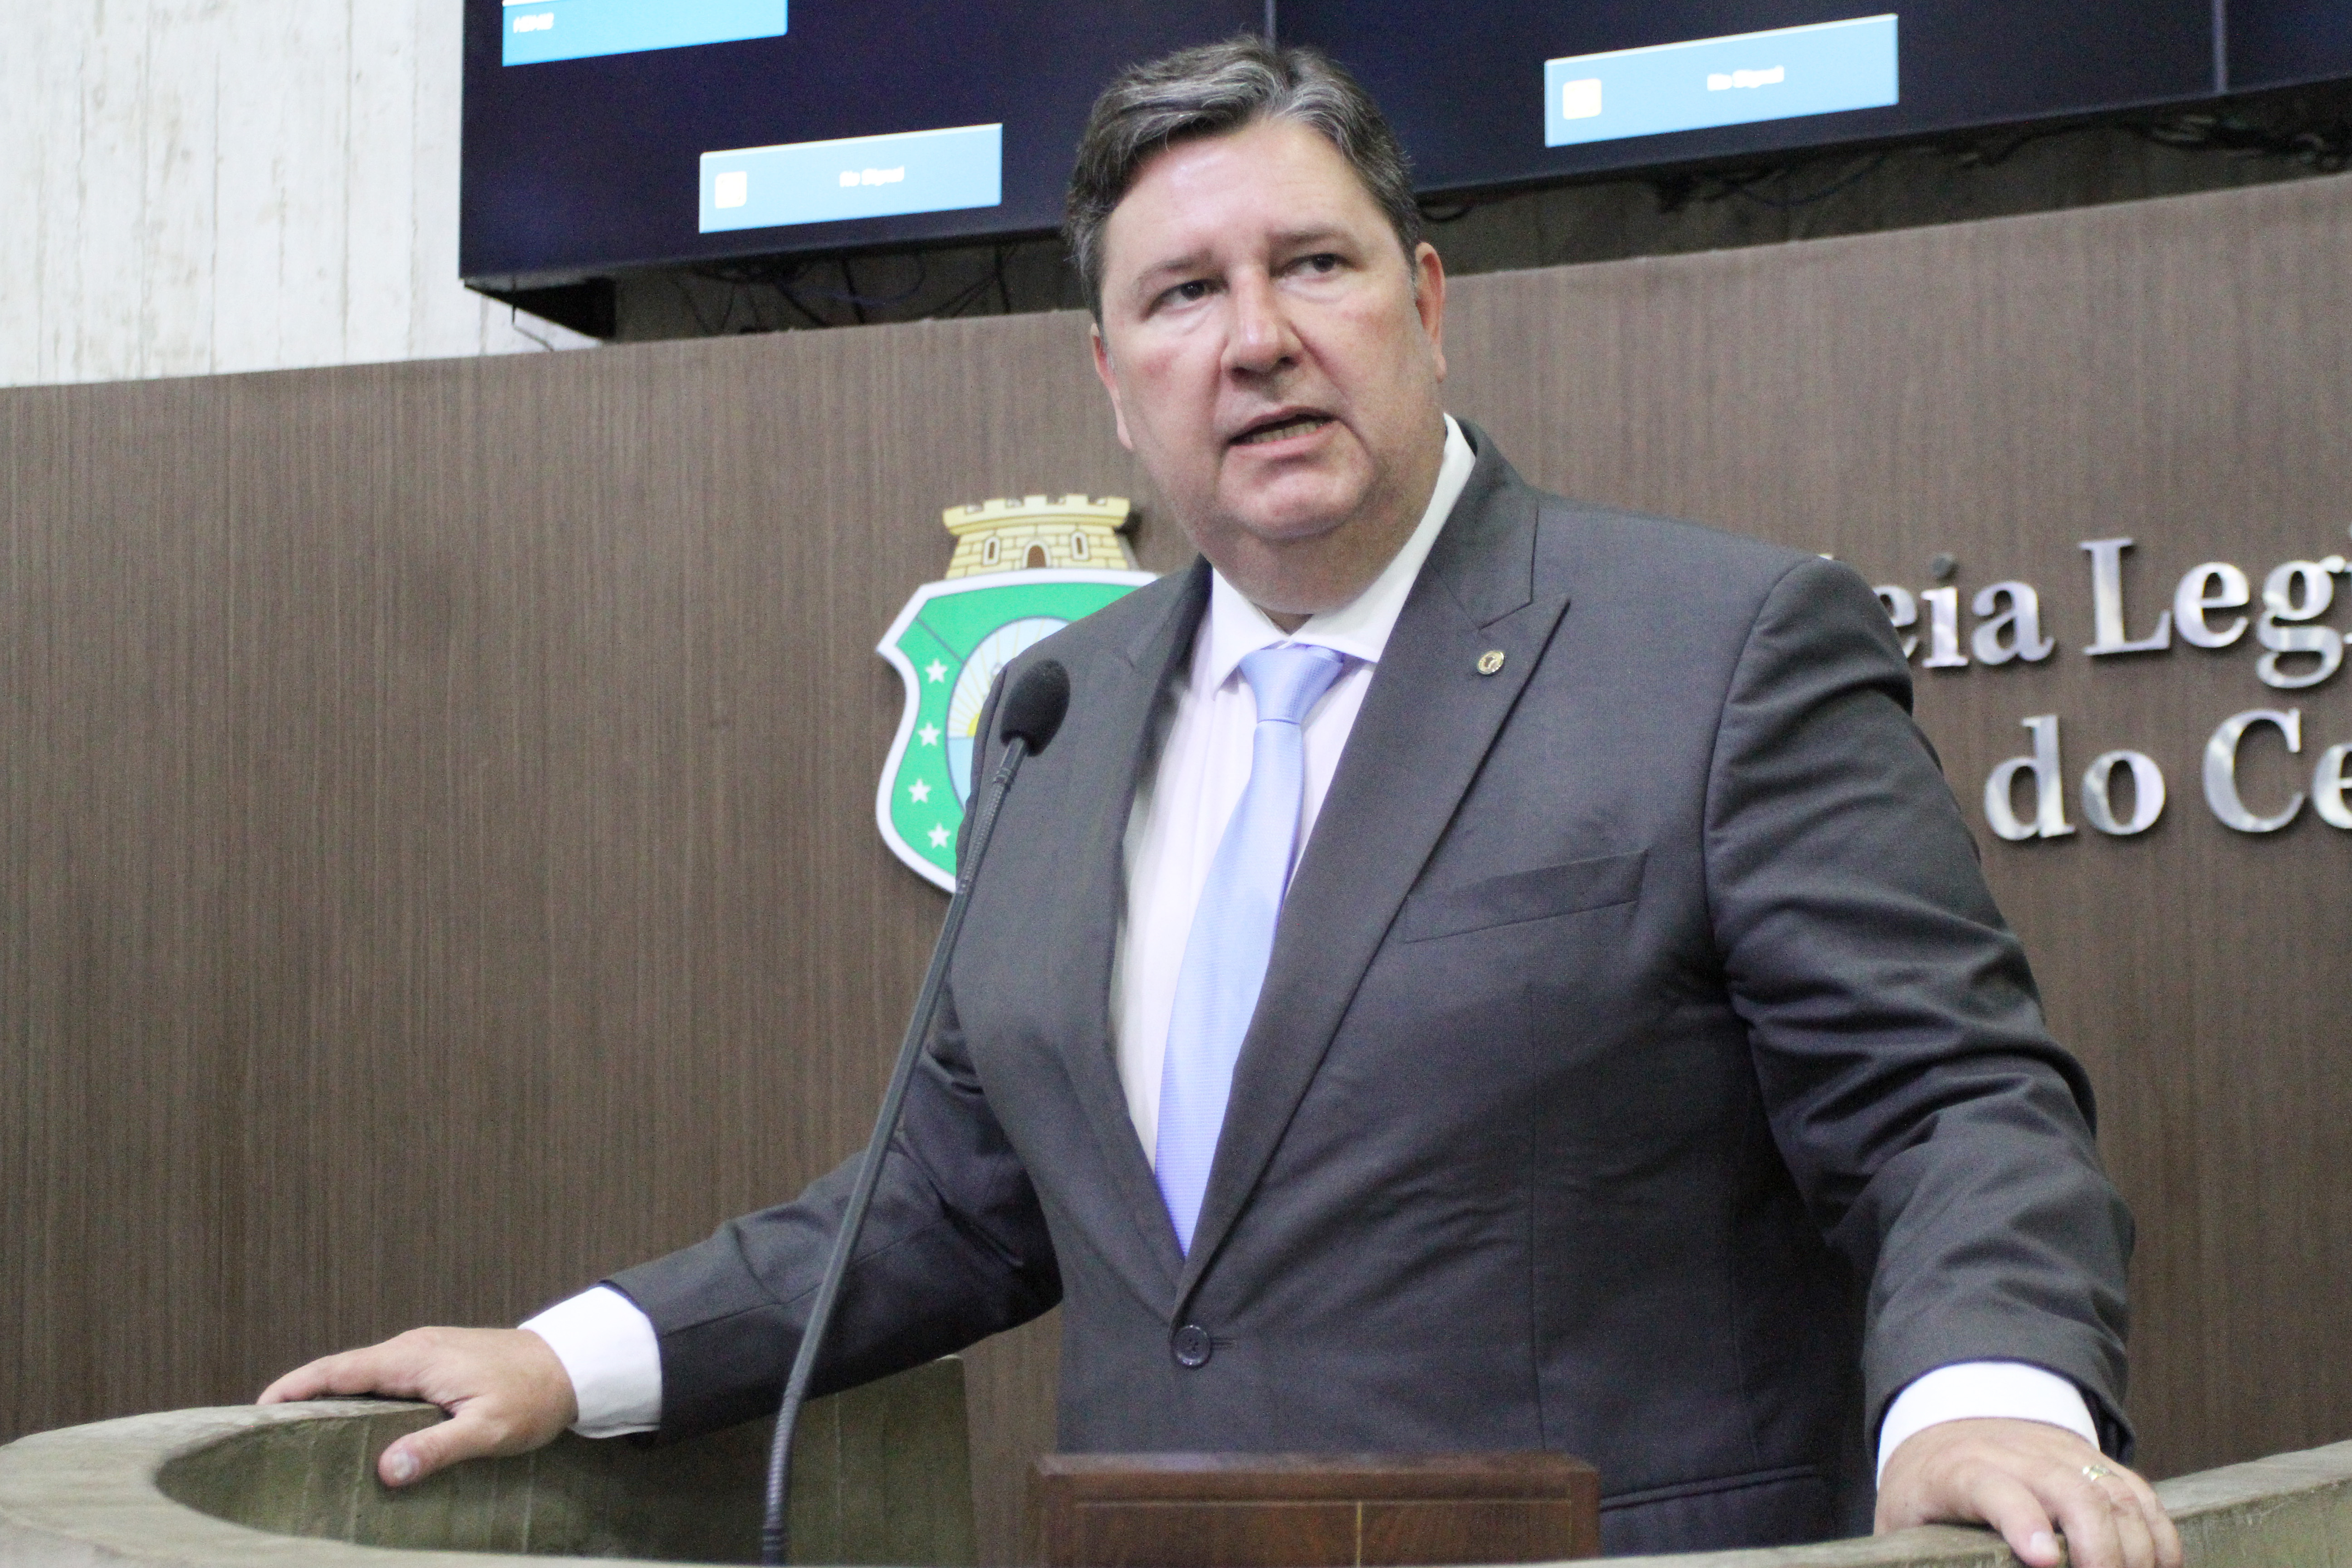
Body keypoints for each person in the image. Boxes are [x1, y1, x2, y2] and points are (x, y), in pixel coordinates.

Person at [264, 38, 2179, 1568]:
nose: (1255, 336)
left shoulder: (1720, 646)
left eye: (1312, 266)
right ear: (1115, 381)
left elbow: (1947, 1104)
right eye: (1182, 294)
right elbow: (951, 1202)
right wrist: (571, 1358)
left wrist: (1983, 1401)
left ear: (1427, 300)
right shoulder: (1058, 713)